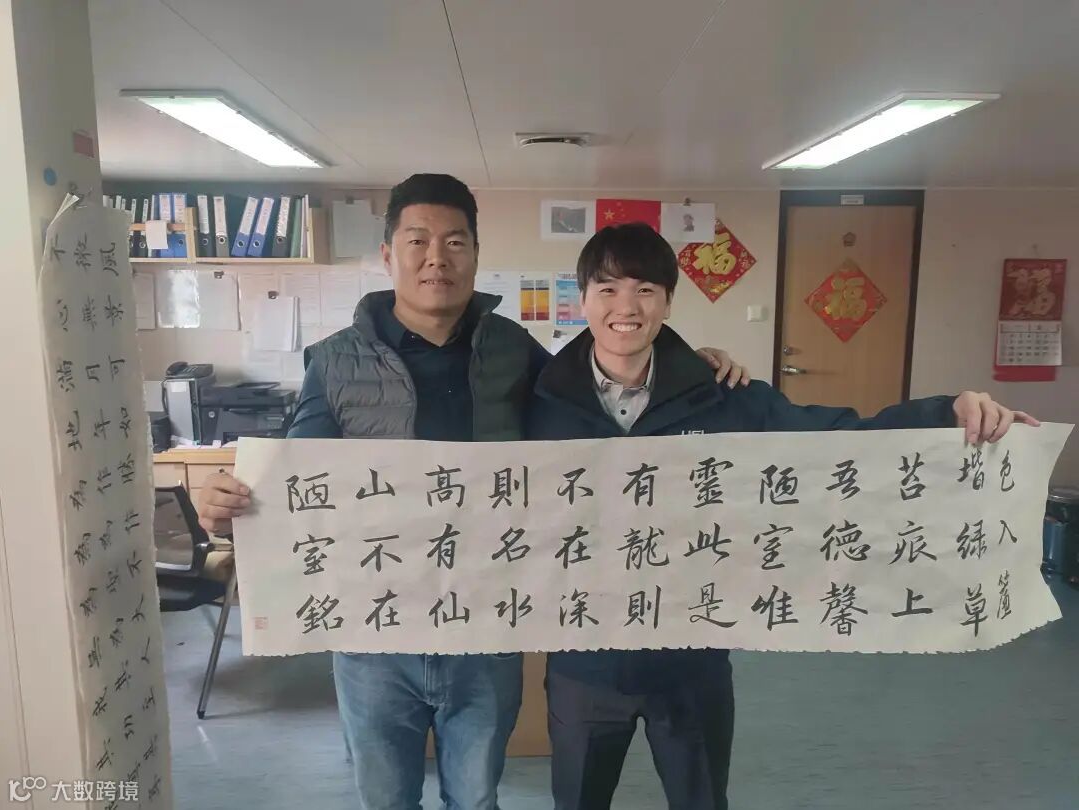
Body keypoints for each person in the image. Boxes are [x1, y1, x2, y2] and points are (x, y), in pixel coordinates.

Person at [196, 175, 749, 810]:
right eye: (418, 240)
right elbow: (292, 479)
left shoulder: (513, 349)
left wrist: (690, 366)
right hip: (377, 637)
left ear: (476, 255)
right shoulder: (335, 361)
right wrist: (231, 506)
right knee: (386, 801)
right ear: (388, 254)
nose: (437, 257)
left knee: (476, 798)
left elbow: (593, 399)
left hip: (485, 629)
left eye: (455, 242)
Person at [527, 222, 1039, 810]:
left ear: (668, 302)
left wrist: (946, 415)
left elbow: (840, 438)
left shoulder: (722, 395)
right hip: (585, 665)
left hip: (690, 657)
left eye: (645, 290)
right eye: (608, 289)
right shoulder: (536, 399)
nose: (626, 307)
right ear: (583, 298)